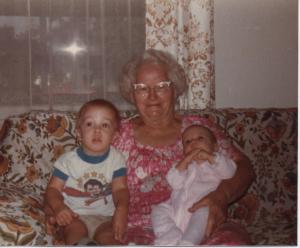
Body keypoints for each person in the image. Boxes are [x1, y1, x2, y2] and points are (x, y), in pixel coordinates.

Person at [45, 49, 255, 245]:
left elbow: (243, 167)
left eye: (161, 86)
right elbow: (79, 173)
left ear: (175, 89)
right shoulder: (116, 134)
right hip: (137, 229)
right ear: (132, 93)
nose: (152, 96)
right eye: (142, 88)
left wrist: (221, 197)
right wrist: (54, 208)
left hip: (198, 221)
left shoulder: (199, 129)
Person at [44, 99, 129, 245]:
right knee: (75, 234)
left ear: (114, 135)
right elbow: (52, 190)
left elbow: (120, 189)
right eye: (90, 124)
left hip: (106, 219)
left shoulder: (116, 159)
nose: (97, 130)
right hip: (75, 216)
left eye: (105, 125)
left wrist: (122, 209)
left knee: (110, 238)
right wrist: (59, 207)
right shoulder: (68, 161)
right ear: (78, 132)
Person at [151, 124, 237, 245]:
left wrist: (211, 157)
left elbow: (229, 172)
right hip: (177, 212)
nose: (194, 143)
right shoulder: (185, 166)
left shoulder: (217, 164)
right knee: (159, 210)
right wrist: (185, 161)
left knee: (204, 211)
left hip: (202, 211)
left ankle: (188, 242)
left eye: (200, 138)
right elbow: (174, 182)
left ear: (215, 146)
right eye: (188, 142)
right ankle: (170, 235)